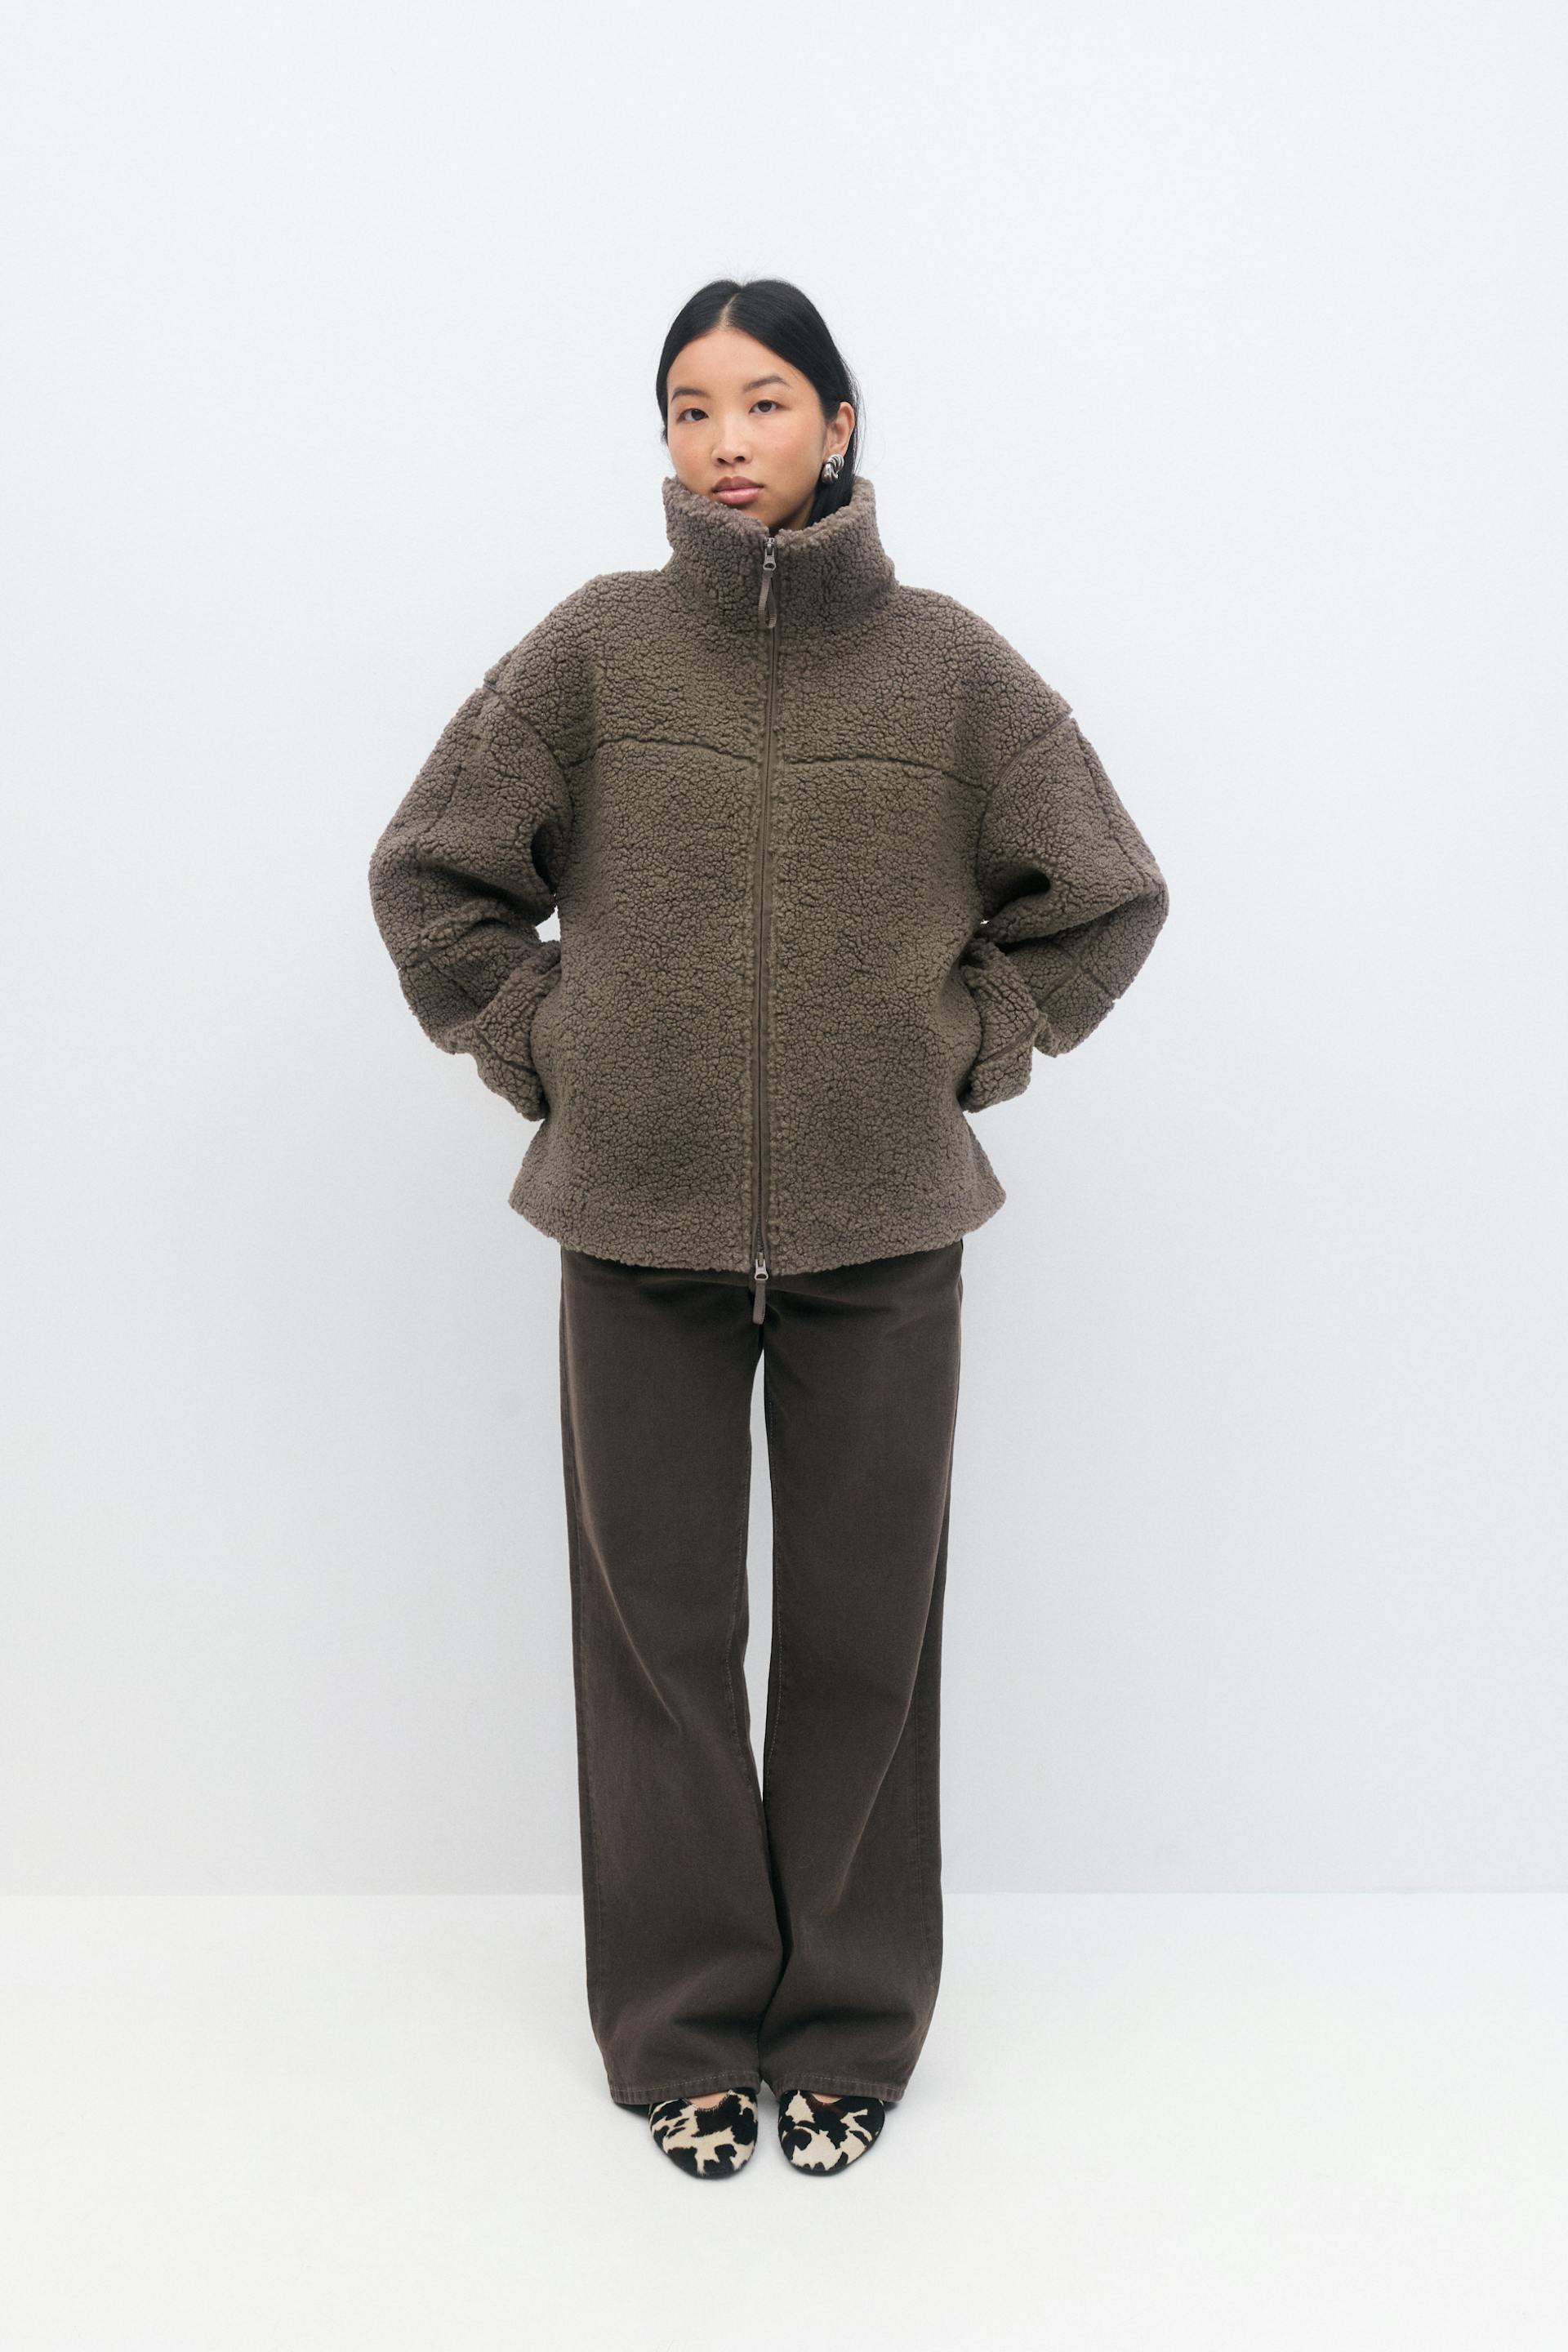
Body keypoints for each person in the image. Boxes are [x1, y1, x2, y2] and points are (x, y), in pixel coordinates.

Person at [367, 277, 1170, 2179]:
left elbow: (1103, 895)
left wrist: (968, 1044)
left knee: (863, 1637)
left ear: (840, 424)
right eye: (689, 406)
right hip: (633, 1219)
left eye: (765, 400)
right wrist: (548, 1046)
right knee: (657, 1636)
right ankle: (684, 2031)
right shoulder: (594, 651)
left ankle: (850, 2033)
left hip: (880, 1225)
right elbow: (435, 876)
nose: (725, 440)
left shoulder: (953, 671)